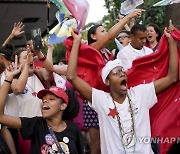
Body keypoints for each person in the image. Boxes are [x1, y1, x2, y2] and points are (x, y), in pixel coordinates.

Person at [66, 21, 178, 154]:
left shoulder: (140, 93)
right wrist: (77, 43)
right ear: (107, 82)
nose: (121, 74)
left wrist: (171, 41)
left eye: (122, 71)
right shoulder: (102, 100)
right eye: (116, 72)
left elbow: (172, 77)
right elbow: (72, 76)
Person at [0, 62, 84, 154]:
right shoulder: (36, 125)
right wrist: (8, 79)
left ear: (63, 106)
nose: (45, 101)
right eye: (43, 99)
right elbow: (1, 117)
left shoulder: (74, 129)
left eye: (51, 99)